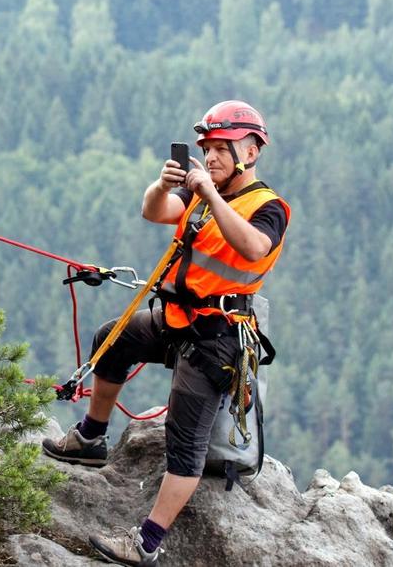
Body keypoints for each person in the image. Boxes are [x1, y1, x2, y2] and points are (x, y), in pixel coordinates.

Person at [41, 101, 290, 565]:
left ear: (251, 152)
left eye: (222, 148)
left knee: (185, 437)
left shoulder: (268, 206)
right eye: (207, 148)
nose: (211, 157)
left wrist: (208, 194)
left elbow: (255, 248)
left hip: (219, 336)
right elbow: (153, 211)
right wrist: (164, 183)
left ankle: (147, 542)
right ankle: (92, 438)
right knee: (111, 338)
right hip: (178, 317)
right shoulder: (200, 193)